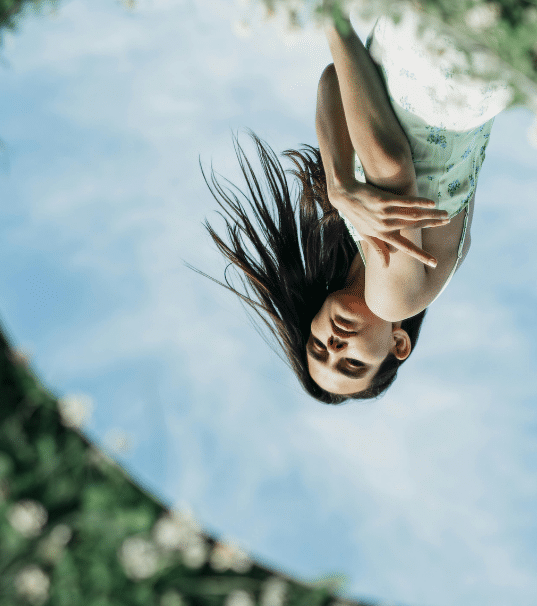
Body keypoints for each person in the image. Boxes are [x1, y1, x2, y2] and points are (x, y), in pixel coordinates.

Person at [193, 6, 509, 403]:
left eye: (317, 346)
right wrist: (332, 19)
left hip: (436, 61)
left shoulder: (358, 231)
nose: (334, 345)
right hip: (440, 70)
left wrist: (342, 185)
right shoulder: (394, 298)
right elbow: (391, 166)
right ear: (399, 345)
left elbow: (332, 81)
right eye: (352, 364)